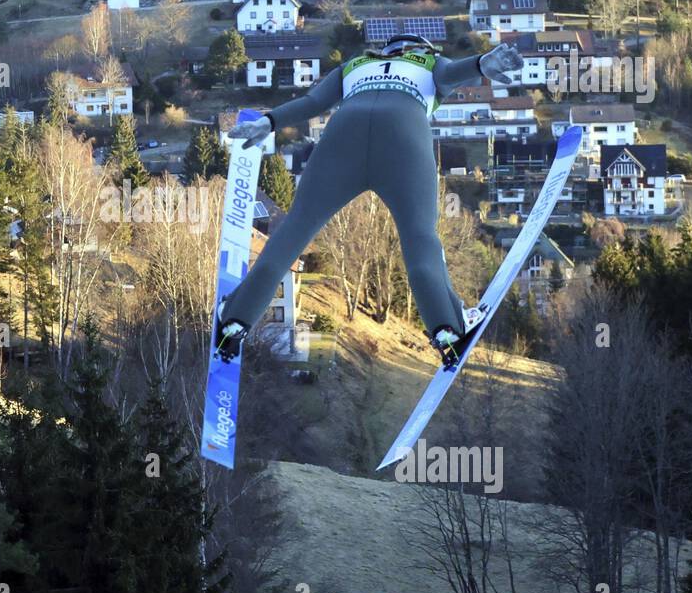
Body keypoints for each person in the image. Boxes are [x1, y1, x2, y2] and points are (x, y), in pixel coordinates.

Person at [214, 33, 524, 367]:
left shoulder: (354, 65)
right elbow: (454, 73)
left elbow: (312, 103)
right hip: (403, 135)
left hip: (343, 136)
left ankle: (235, 320)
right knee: (420, 236)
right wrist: (483, 64)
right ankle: (447, 326)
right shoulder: (429, 61)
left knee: (294, 230)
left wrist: (268, 121)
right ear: (421, 50)